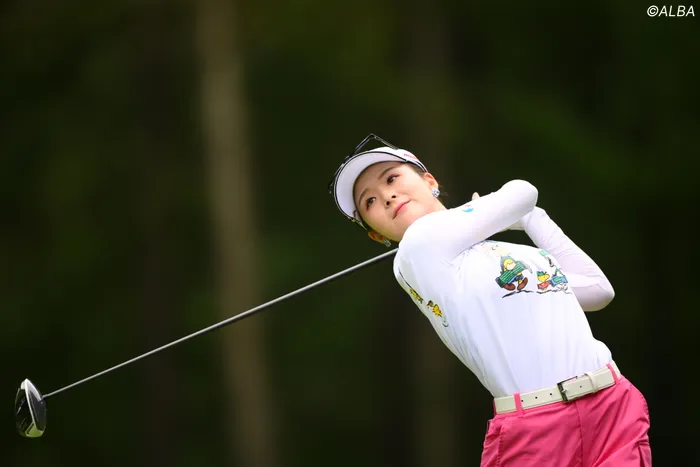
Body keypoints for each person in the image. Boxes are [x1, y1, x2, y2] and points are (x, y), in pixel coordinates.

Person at [327, 134, 652, 466]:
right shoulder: (415, 249)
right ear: (376, 235)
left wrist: (530, 218)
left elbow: (598, 290)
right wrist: (508, 209)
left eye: (391, 178)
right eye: (369, 201)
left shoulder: (514, 255)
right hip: (538, 428)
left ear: (430, 181)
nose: (387, 196)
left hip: (612, 404)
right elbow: (523, 191)